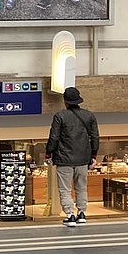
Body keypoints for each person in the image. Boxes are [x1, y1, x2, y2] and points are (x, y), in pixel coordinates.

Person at [45, 87, 99, 227]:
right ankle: (82, 213)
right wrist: (93, 154)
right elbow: (95, 137)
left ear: (65, 101)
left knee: (65, 189)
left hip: (64, 160)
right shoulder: (89, 116)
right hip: (83, 159)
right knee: (81, 187)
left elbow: (54, 137)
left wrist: (49, 152)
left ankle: (70, 215)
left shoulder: (60, 116)